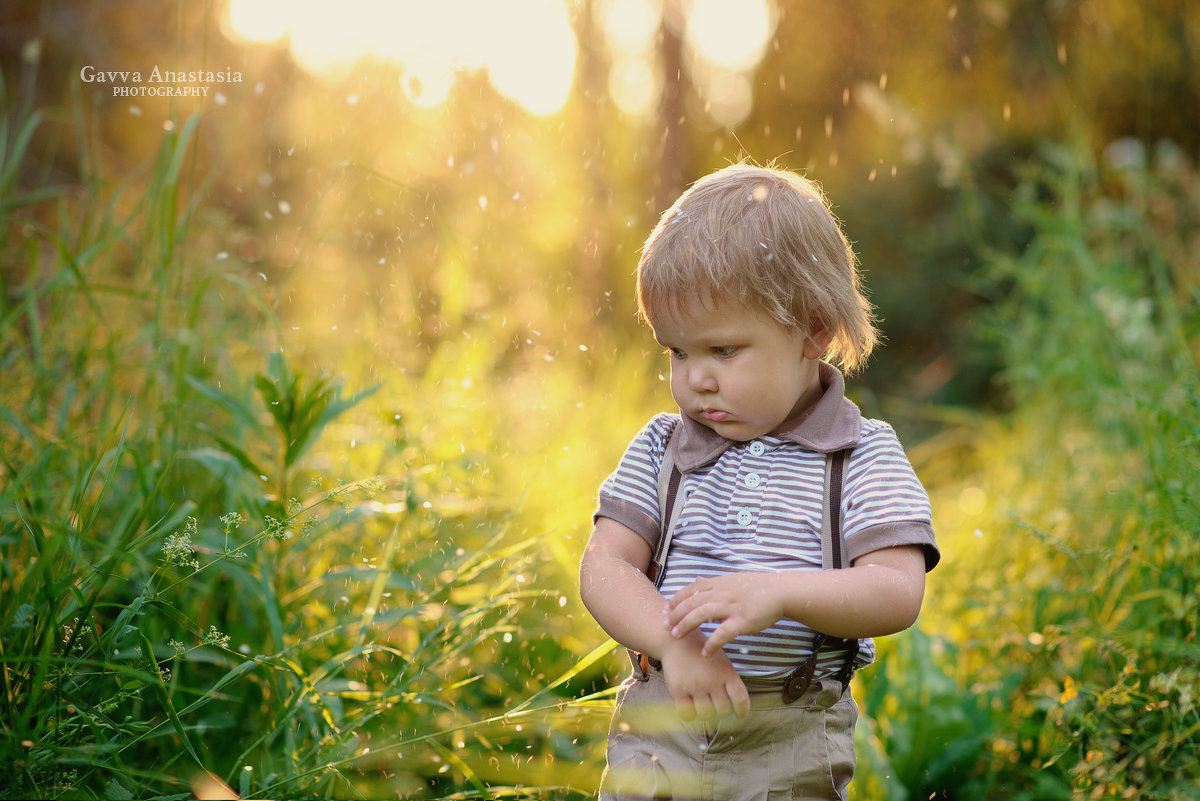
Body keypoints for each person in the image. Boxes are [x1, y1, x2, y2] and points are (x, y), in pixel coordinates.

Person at [579, 162, 939, 800]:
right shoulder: (662, 448)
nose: (697, 379)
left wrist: (780, 592)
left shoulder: (860, 455)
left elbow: (896, 591)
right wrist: (673, 642)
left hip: (788, 740)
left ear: (813, 329)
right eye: (677, 352)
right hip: (663, 727)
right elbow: (605, 567)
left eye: (723, 351)